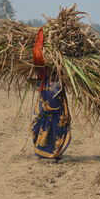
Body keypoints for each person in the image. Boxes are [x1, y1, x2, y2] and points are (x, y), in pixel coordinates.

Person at [30, 27, 71, 162]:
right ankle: (41, 154)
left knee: (57, 132)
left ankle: (56, 155)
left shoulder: (61, 77)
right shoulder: (43, 77)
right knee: (38, 128)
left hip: (58, 111)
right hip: (45, 110)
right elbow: (34, 79)